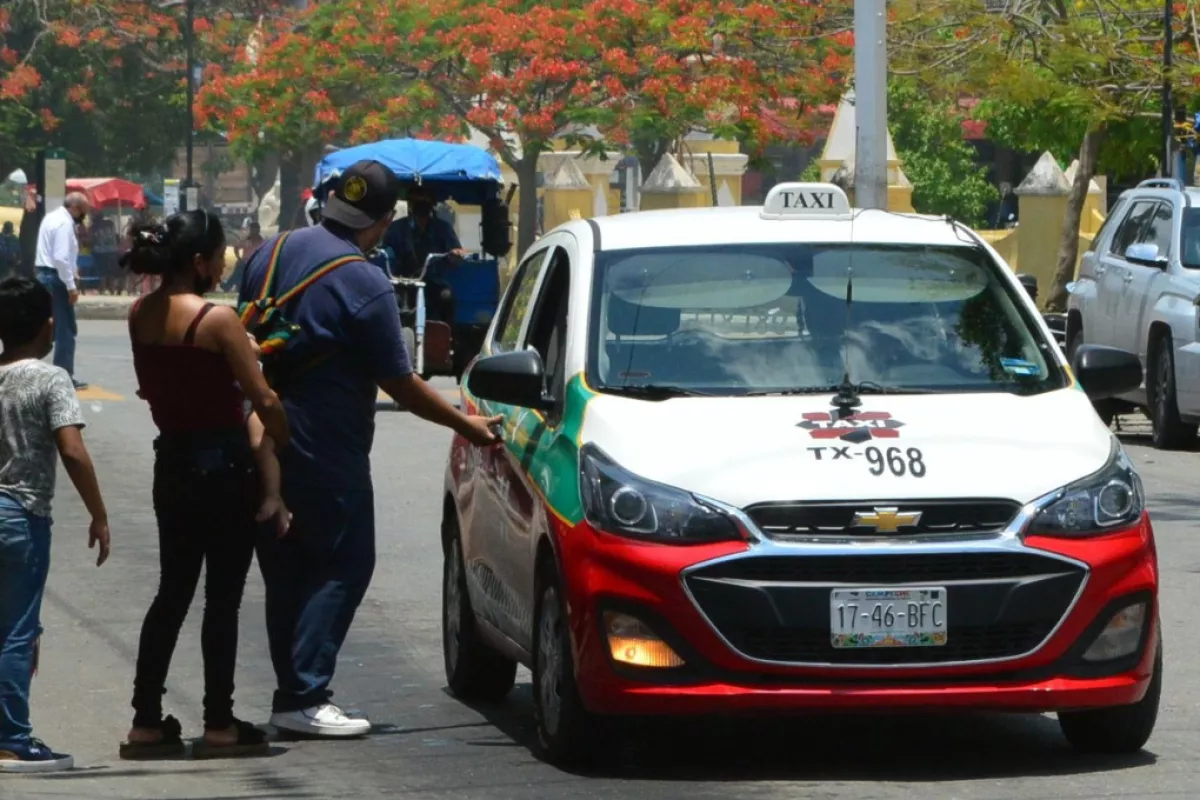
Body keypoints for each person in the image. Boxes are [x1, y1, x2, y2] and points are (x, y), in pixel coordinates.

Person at [237, 160, 501, 738]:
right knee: (344, 563)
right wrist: (468, 424)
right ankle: (304, 693)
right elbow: (402, 386)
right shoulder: (363, 280)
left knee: (286, 568)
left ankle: (293, 694)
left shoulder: (270, 253)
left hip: (259, 431)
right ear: (383, 223)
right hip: (325, 444)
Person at [117, 209, 291, 761]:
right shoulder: (216, 321)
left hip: (172, 465)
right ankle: (219, 723)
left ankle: (146, 721)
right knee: (223, 600)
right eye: (218, 258)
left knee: (172, 593)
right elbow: (262, 398)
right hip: (224, 470)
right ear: (198, 263)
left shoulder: (139, 314)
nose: (223, 266)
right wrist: (284, 438)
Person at [0, 276, 111, 773]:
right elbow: (72, 450)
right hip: (21, 516)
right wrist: (99, 513)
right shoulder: (51, 379)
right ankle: (11, 739)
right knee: (18, 632)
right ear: (47, 325)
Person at [382, 184, 465, 323]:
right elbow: (382, 250)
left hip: (432, 282)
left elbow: (458, 254)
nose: (420, 206)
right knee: (390, 301)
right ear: (410, 204)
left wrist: (455, 256)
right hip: (402, 282)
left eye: (424, 202)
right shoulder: (397, 228)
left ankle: (448, 338)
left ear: (432, 204)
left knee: (446, 297)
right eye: (416, 202)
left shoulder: (442, 228)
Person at [34, 193, 90, 390]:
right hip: (56, 279)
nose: (83, 216)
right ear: (74, 207)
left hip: (45, 275)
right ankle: (63, 376)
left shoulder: (51, 218)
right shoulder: (64, 224)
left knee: (44, 328)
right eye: (83, 212)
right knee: (66, 329)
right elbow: (60, 259)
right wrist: (71, 286)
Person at [221, 222, 264, 292]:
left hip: (256, 262)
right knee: (240, 267)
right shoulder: (246, 240)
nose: (253, 231)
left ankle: (229, 285)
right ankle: (234, 285)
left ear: (258, 230)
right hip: (244, 262)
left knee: (239, 269)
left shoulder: (262, 241)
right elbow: (236, 248)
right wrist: (239, 258)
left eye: (255, 229)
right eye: (252, 229)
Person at [90, 212, 121, 295]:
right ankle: (112, 289)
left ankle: (103, 289)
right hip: (112, 250)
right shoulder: (111, 223)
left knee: (102, 271)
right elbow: (116, 236)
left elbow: (92, 239)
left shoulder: (94, 227)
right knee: (111, 271)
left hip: (100, 251)